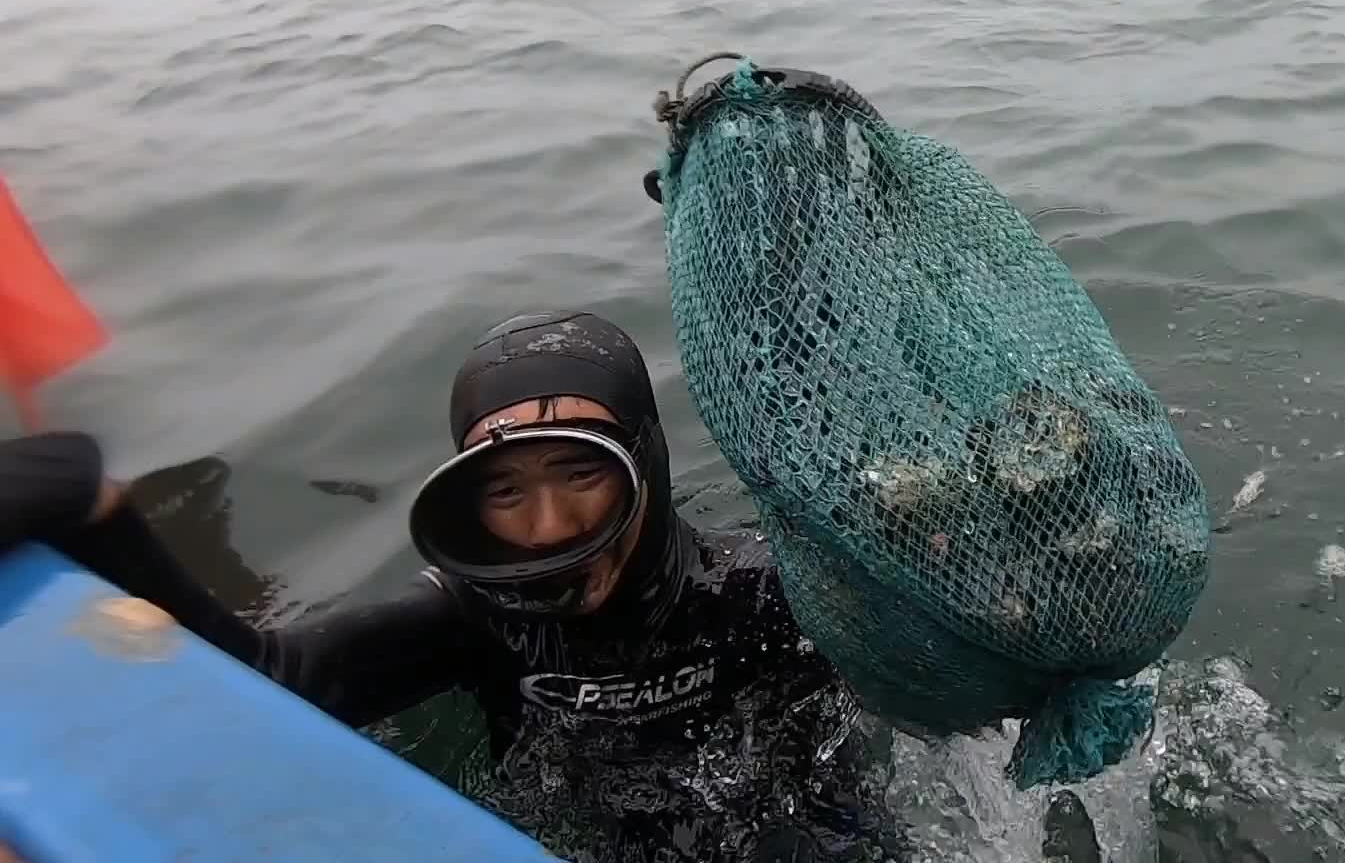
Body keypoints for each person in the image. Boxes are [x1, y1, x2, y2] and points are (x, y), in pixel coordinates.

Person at [0, 310, 902, 863]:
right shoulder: (472, 618)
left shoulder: (770, 591)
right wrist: (99, 511)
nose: (549, 528)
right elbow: (267, 680)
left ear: (648, 465)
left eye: (581, 474)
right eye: (506, 490)